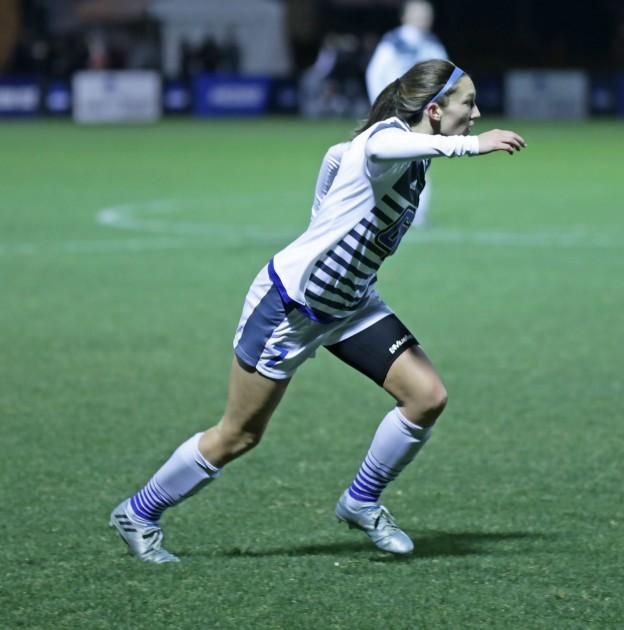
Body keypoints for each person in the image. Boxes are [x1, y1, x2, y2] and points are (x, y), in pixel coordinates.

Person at [108, 59, 526, 563]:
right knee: (239, 435)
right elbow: (372, 145)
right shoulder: (388, 140)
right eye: (469, 104)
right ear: (434, 111)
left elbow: (335, 158)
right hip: (291, 309)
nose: (477, 114)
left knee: (427, 396)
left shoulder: (411, 154)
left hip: (350, 304)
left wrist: (323, 220)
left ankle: (361, 500)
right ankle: (138, 512)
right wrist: (472, 145)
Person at [365, 0, 448, 227]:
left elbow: (444, 79)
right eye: (419, 15)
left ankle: (413, 214)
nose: (423, 20)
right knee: (402, 162)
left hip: (419, 114)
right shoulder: (393, 43)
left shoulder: (430, 44)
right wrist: (380, 107)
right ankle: (388, 212)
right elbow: (375, 73)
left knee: (417, 161)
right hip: (396, 111)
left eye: (426, 15)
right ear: (406, 17)